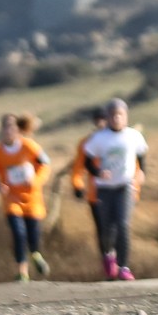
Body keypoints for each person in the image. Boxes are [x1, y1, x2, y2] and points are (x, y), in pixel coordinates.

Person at [82, 98, 147, 281]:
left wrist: (141, 171)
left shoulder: (133, 136)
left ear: (126, 116)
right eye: (113, 115)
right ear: (108, 117)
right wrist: (98, 172)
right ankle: (109, 255)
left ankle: (124, 267)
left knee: (123, 224)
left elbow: (141, 155)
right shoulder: (99, 138)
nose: (117, 118)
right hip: (104, 188)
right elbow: (87, 162)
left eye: (120, 114)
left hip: (125, 185)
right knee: (106, 228)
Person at [0, 113, 51, 282]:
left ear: (18, 129)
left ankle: (36, 254)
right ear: (1, 130)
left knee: (33, 234)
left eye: (12, 127)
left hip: (33, 199)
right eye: (5, 127)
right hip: (12, 199)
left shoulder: (29, 146)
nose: (9, 131)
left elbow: (45, 164)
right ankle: (22, 271)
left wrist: (36, 181)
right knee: (18, 233)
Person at [70, 104, 108, 249]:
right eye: (98, 119)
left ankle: (120, 259)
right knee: (102, 229)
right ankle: (107, 258)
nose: (101, 122)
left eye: (104, 118)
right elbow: (78, 167)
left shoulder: (121, 139)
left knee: (119, 226)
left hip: (119, 190)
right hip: (96, 193)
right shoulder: (86, 143)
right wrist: (77, 185)